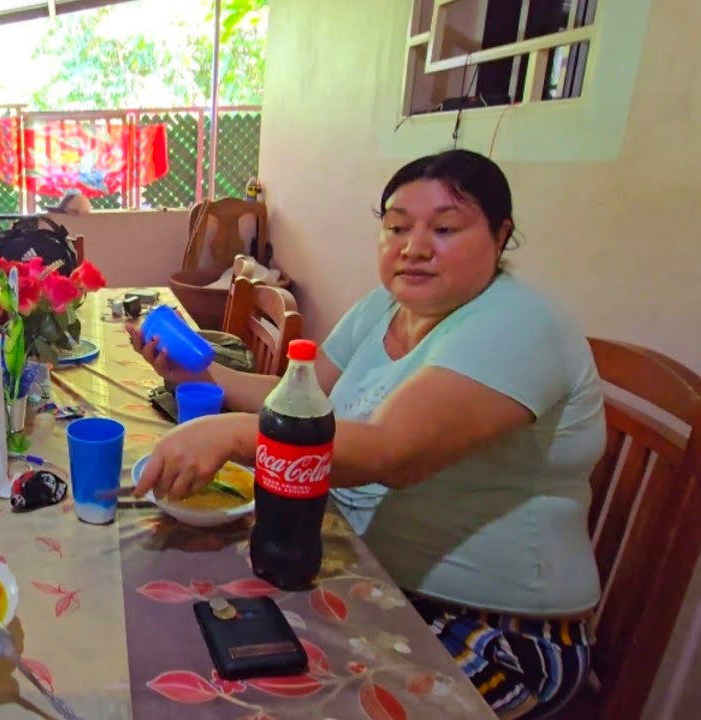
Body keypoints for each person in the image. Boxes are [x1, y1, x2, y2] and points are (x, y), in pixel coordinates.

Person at [130, 149, 604, 720]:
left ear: (501, 236)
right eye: (397, 226)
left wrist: (232, 436)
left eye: (446, 228)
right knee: (179, 631)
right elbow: (299, 405)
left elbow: (390, 453)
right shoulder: (385, 306)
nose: (414, 247)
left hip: (487, 630)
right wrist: (199, 374)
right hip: (366, 578)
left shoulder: (519, 325)